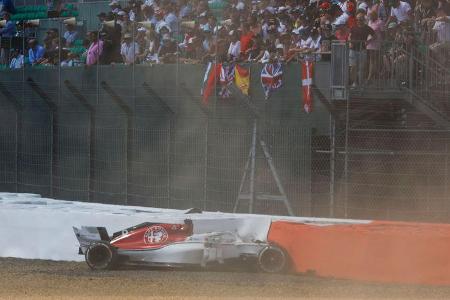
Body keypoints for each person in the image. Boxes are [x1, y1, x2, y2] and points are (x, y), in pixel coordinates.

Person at [349, 13, 375, 86]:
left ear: (363, 20)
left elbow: (374, 35)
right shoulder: (353, 27)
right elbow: (349, 36)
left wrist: (368, 42)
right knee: (353, 67)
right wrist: (350, 42)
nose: (358, 21)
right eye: (357, 19)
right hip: (353, 50)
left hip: (362, 50)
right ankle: (354, 82)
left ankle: (360, 84)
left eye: (360, 19)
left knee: (361, 68)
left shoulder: (367, 28)